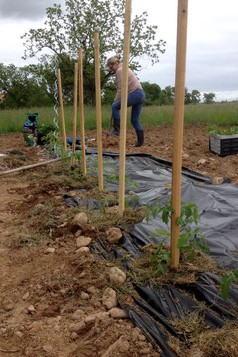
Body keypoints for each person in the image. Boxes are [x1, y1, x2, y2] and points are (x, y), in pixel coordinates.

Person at [106, 55, 145, 147]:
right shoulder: (124, 68)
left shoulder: (120, 71)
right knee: (134, 119)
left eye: (111, 67)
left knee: (115, 106)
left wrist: (115, 100)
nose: (112, 70)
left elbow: (121, 89)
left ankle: (117, 130)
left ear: (115, 63)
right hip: (140, 94)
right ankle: (140, 142)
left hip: (135, 93)